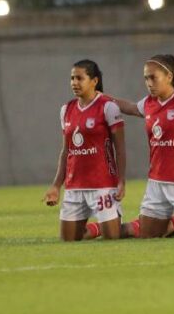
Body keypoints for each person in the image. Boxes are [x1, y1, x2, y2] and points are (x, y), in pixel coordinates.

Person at [114, 54, 174, 238]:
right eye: (146, 78)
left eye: (153, 77)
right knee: (148, 236)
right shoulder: (149, 103)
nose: (149, 83)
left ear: (169, 76)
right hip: (156, 182)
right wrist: (100, 98)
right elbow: (132, 108)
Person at [43, 60, 127, 241]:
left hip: (103, 186)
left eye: (79, 78)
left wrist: (121, 181)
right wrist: (56, 186)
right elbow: (66, 151)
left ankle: (105, 226)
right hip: (74, 187)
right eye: (72, 78)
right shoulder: (66, 109)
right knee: (68, 241)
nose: (74, 82)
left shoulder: (108, 107)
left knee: (112, 238)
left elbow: (119, 149)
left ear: (94, 81)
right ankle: (99, 227)